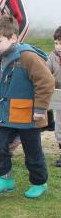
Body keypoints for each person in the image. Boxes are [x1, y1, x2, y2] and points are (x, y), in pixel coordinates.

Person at [0, 15, 55, 199]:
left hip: (29, 116)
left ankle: (39, 183)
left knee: (33, 152)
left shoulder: (28, 57)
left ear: (14, 38)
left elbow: (46, 81)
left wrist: (40, 109)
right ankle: (5, 179)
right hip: (6, 115)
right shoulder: (0, 58)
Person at [46, 25, 61, 167]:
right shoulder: (52, 57)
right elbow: (45, 71)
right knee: (60, 127)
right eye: (56, 43)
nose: (58, 46)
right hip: (58, 97)